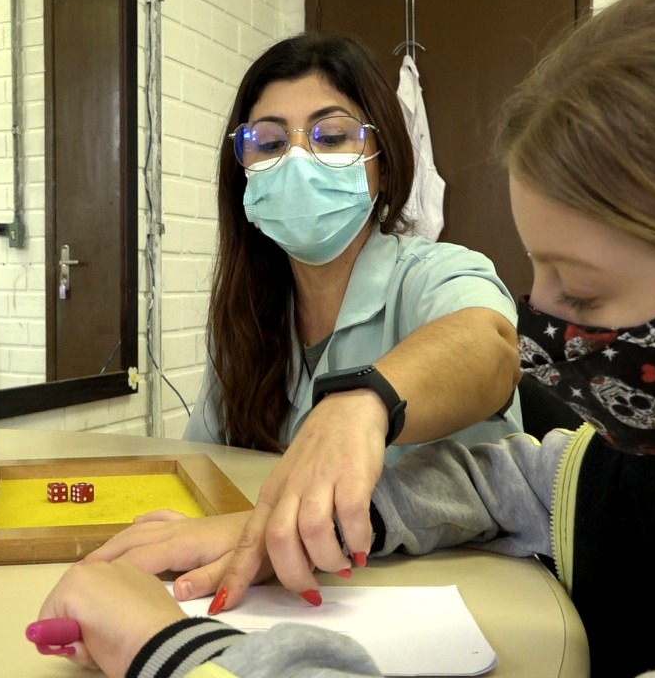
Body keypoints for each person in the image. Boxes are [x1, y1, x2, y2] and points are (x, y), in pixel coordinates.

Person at [34, 0, 655, 676]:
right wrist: (291, 524)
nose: (546, 326)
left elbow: (488, 343)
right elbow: (526, 480)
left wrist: (172, 648)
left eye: (586, 294)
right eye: (268, 144)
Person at [169, 32, 524, 611]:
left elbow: (490, 346)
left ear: (384, 165)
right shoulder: (249, 317)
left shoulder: (435, 274)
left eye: (332, 136)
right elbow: (205, 473)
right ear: (243, 173)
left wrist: (364, 403)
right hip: (277, 594)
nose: (299, 160)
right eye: (269, 141)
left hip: (448, 598)